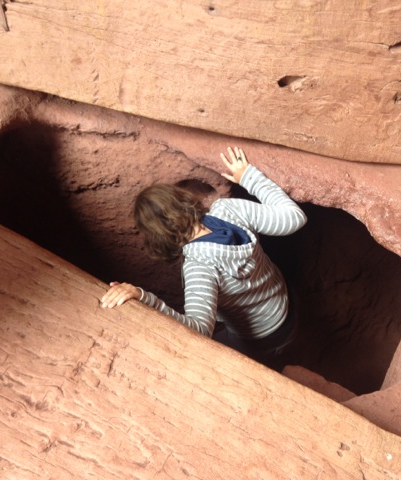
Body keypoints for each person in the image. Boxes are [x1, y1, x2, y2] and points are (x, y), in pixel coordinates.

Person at [100, 146, 307, 369]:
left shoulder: (199, 267)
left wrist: (144, 297)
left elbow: (199, 330)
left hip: (260, 339)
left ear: (157, 237)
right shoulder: (228, 210)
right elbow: (294, 218)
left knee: (209, 362)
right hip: (287, 306)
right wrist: (249, 176)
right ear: (182, 199)